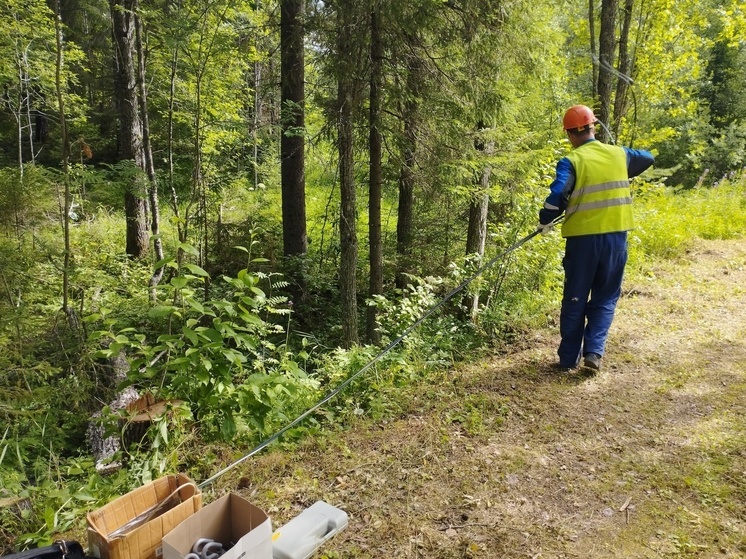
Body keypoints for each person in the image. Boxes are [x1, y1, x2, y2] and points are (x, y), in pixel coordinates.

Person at [538, 104, 655, 371]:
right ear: (594, 127)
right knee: (605, 297)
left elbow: (557, 197)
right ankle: (594, 353)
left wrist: (545, 220)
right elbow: (647, 157)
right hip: (616, 239)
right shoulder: (619, 155)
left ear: (569, 134)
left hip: (583, 241)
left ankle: (568, 360)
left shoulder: (572, 161)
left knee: (575, 298)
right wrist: (621, 166)